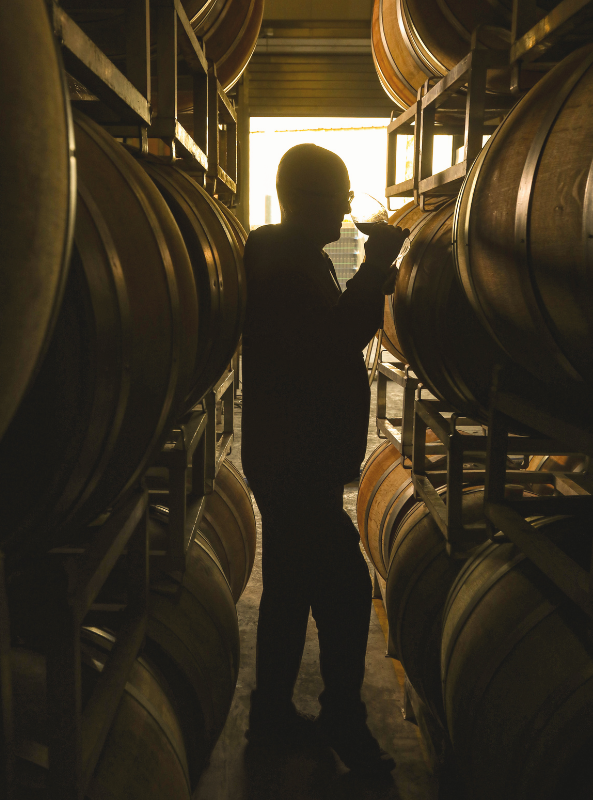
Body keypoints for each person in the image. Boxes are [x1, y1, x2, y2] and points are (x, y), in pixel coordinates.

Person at [241, 143, 409, 775]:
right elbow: (333, 342)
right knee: (342, 591)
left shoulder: (288, 255)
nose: (347, 202)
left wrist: (372, 278)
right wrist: (376, 265)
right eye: (339, 191)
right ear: (306, 199)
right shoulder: (286, 267)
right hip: (295, 465)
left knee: (287, 590)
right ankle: (342, 717)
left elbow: (326, 329)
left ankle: (271, 716)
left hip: (285, 457)